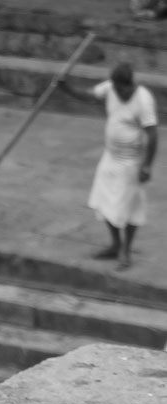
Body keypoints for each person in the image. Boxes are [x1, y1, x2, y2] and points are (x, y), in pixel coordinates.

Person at [63, 63, 159, 269]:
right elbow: (89, 95)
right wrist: (67, 88)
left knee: (130, 206)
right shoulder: (111, 87)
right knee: (104, 200)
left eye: (121, 89)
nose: (117, 92)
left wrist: (147, 166)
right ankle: (115, 244)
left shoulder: (143, 99)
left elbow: (152, 134)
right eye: (114, 88)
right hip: (110, 157)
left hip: (132, 161)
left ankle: (126, 250)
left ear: (130, 84)